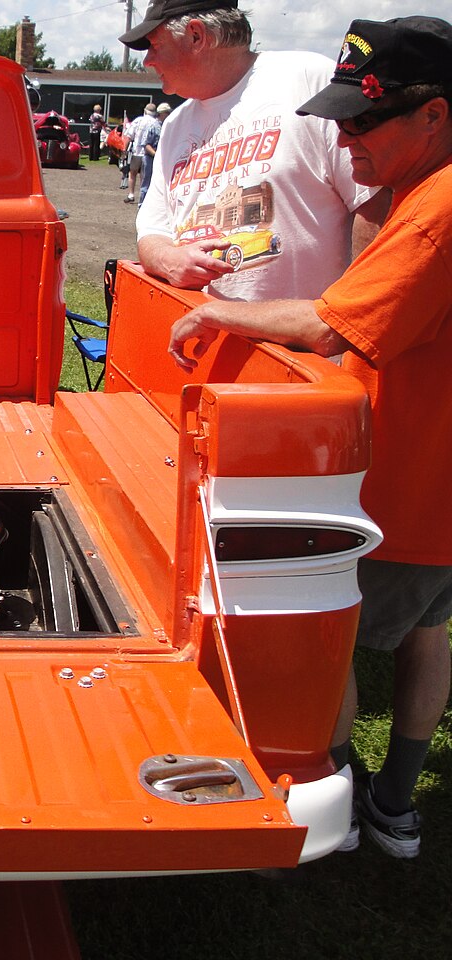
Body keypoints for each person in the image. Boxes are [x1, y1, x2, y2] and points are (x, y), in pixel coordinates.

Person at [166, 15, 452, 859]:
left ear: (432, 116)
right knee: (425, 635)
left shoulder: (437, 211)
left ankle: (337, 798)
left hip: (404, 486)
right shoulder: (418, 193)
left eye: (363, 121)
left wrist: (220, 309)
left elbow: (331, 326)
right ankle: (394, 800)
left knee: (329, 644)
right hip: (430, 484)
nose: (343, 136)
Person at [122, 0, 389, 301]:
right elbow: (152, 232)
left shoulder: (308, 79)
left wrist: (356, 316)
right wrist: (169, 260)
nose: (148, 61)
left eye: (155, 45)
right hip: (201, 334)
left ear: (196, 36)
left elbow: (374, 204)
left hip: (298, 345)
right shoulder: (175, 124)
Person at [138, 102, 171, 205]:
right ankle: (142, 205)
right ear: (161, 113)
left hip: (163, 160)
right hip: (150, 159)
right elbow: (146, 144)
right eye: (167, 113)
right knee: (147, 183)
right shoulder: (153, 126)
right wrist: (157, 155)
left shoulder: (168, 127)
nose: (169, 115)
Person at [125, 103, 156, 203]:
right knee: (145, 175)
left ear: (145, 110)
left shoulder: (138, 120)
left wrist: (124, 150)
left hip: (137, 151)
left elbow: (129, 136)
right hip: (149, 153)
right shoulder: (156, 123)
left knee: (132, 173)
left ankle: (131, 194)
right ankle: (144, 196)